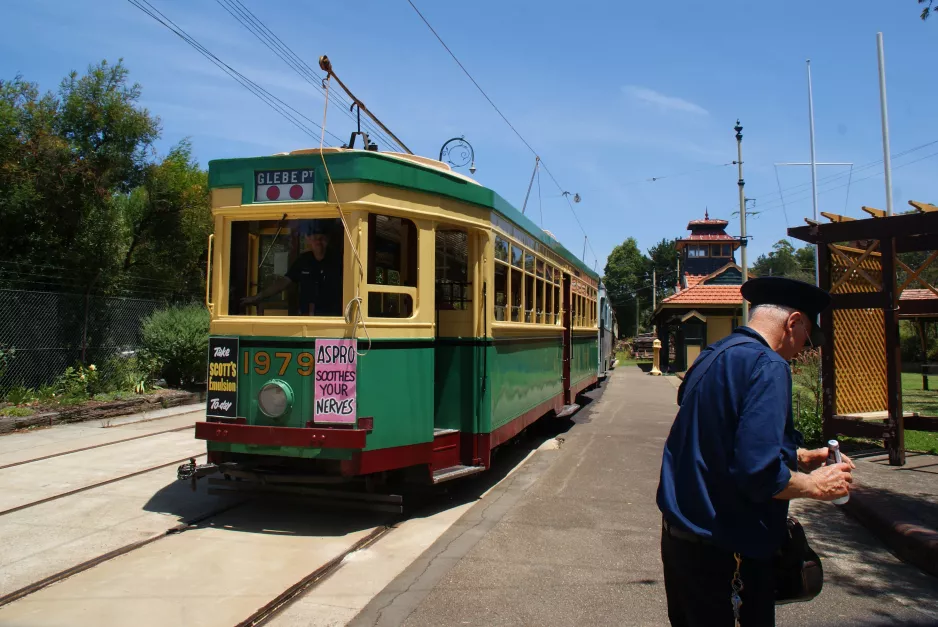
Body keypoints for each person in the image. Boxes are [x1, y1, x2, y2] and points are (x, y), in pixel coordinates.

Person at [656, 276, 856, 626]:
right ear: (793, 323)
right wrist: (816, 486)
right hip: (729, 553)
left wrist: (800, 457)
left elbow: (716, 437)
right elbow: (758, 475)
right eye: (807, 338)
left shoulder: (713, 355)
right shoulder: (769, 366)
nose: (803, 351)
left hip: (682, 544)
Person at [242, 220, 342, 316]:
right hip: (306, 317)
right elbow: (283, 283)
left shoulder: (339, 260)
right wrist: (257, 297)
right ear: (308, 239)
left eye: (321, 238)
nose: (318, 241)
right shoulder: (303, 260)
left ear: (328, 239)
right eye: (314, 237)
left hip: (333, 318)